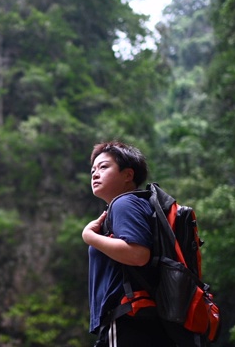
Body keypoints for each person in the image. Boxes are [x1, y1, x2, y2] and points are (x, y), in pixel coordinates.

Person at [83, 141, 175, 346]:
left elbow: (137, 254)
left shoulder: (124, 203)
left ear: (128, 175)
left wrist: (89, 237)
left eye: (104, 167)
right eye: (93, 171)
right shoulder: (136, 204)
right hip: (141, 320)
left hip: (127, 320)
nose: (95, 174)